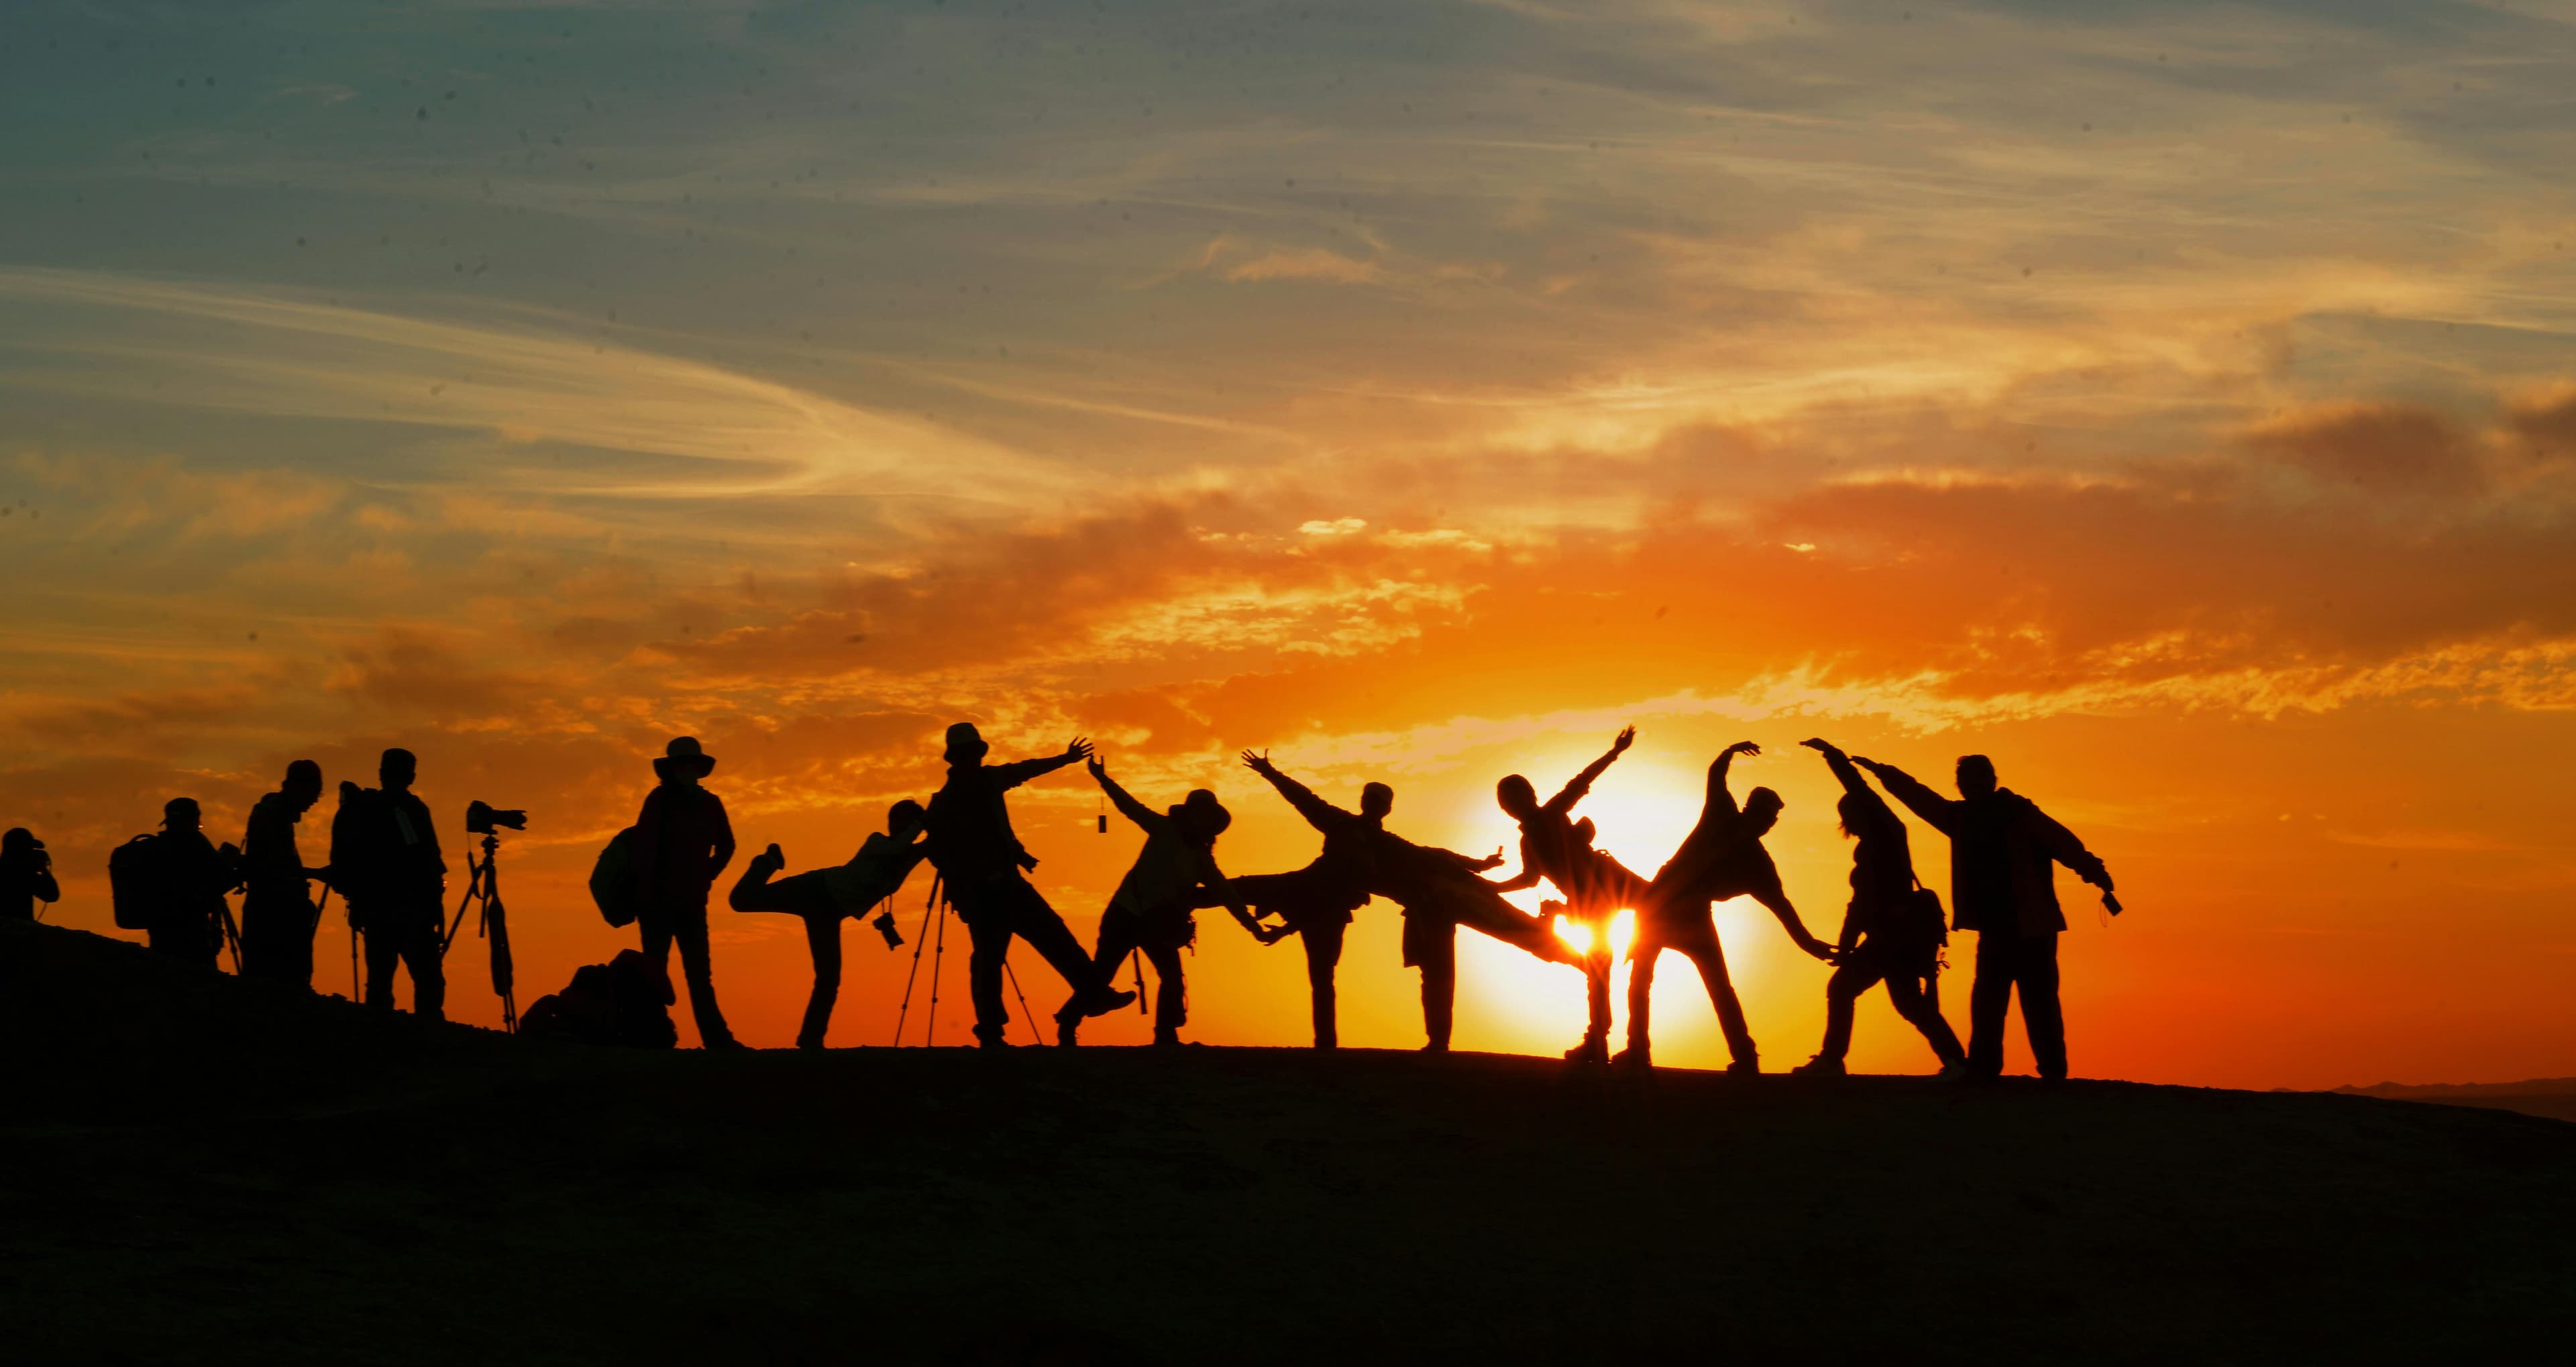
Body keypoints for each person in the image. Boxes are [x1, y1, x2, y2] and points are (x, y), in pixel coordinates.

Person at [1239, 751, 1580, 1053]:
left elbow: (1432, 854)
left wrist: (1480, 866)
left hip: (1453, 893)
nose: (1375, 804)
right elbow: (1306, 800)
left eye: (1381, 800)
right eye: (1371, 798)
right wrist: (1271, 774)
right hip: (1429, 905)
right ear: (1364, 802)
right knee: (1439, 973)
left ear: (1386, 808)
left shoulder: (1387, 840)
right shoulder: (1342, 827)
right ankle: (1438, 1043)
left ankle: (1585, 961)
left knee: (1523, 933)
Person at [1851, 751, 2116, 1082]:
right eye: (1965, 781)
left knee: (2037, 1003)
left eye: (1977, 779)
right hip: (1996, 929)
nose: (1971, 786)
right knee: (1990, 1002)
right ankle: (1987, 1071)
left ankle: (2050, 1073)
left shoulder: (2019, 813)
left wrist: (2096, 873)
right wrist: (1883, 772)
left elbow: (2064, 844)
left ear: (1992, 781)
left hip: (2033, 927)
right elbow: (1920, 798)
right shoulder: (1960, 818)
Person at [1623, 742, 1837, 1073]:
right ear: (1753, 812)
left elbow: (1783, 908)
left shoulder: (1756, 861)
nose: (1766, 823)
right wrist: (1729, 752)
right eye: (1765, 815)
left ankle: (1743, 1056)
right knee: (1645, 980)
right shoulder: (1725, 819)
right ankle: (1640, 1051)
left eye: (1770, 818)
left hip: (1683, 915)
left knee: (1709, 986)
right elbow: (1716, 775)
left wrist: (1810, 944)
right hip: (1660, 908)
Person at [922, 723, 1132, 1048]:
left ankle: (1093, 995)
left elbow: (1025, 770)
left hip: (1008, 885)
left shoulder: (985, 783)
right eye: (968, 754)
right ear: (958, 758)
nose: (973, 759)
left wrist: (1065, 759)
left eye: (974, 754)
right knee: (992, 960)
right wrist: (974, 878)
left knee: (1052, 938)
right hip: (983, 896)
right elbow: (937, 852)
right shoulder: (947, 801)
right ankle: (993, 1031)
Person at [1788, 739, 1965, 1077]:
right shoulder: (1872, 846)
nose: (1848, 823)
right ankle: (1957, 1063)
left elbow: (1861, 789)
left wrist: (1834, 756)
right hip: (1889, 938)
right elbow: (1858, 905)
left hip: (1892, 938)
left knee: (1847, 991)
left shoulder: (1888, 835)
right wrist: (1846, 945)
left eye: (1849, 815)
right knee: (1910, 1005)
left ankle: (1831, 1060)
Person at [1489, 726, 1653, 1062]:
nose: (1511, 807)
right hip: (1589, 904)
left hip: (1609, 884)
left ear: (1529, 796)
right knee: (1599, 971)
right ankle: (1600, 1039)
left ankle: (1623, 1043)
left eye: (1514, 799)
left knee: (1663, 913)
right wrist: (1493, 886)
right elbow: (1530, 879)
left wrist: (1615, 752)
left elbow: (1580, 782)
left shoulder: (1550, 814)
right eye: (1506, 803)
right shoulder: (1528, 840)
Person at [729, 800, 932, 1049]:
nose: (897, 824)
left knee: (829, 977)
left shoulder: (908, 854)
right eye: (896, 818)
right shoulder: (878, 841)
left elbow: (931, 846)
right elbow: (899, 846)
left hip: (829, 912)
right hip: (816, 889)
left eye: (905, 820)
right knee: (740, 900)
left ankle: (811, 1040)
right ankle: (767, 862)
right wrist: (922, 823)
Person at [1075, 756, 1243, 1048]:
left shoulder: (1202, 858)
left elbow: (1225, 892)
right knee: (1101, 975)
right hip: (1125, 913)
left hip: (1157, 923)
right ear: (1189, 813)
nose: (1201, 818)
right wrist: (1103, 780)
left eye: (1207, 814)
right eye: (1198, 811)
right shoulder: (1164, 828)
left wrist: (1251, 925)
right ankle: (1067, 1022)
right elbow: (1129, 807)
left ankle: (1165, 1036)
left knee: (1173, 979)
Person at [629, 736, 743, 1050]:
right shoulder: (660, 801)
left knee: (697, 976)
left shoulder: (709, 803)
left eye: (690, 764)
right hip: (657, 902)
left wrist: (706, 875)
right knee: (656, 973)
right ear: (674, 768)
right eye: (683, 764)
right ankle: (652, 1039)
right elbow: (644, 848)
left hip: (690, 902)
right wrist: (644, 892)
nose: (687, 769)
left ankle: (716, 1040)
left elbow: (727, 846)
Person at [331, 749, 449, 1022]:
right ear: (412, 776)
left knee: (380, 983)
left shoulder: (362, 809)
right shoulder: (414, 810)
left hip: (376, 911)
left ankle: (380, 1038)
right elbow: (431, 862)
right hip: (412, 912)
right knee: (427, 981)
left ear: (382, 774)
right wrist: (436, 913)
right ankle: (429, 1038)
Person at [239, 761, 331, 988]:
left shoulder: (275, 814)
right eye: (314, 794)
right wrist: (313, 874)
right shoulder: (273, 816)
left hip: (270, 915)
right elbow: (272, 869)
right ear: (300, 787)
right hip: (274, 919)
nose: (314, 801)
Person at [148, 799, 241, 967]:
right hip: (192, 935)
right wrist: (236, 872)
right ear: (193, 820)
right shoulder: (195, 844)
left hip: (160, 934)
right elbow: (218, 880)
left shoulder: (157, 848)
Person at [1, 828, 60, 922]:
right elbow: (52, 895)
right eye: (29, 849)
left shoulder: (22, 872)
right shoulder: (24, 874)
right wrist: (44, 870)